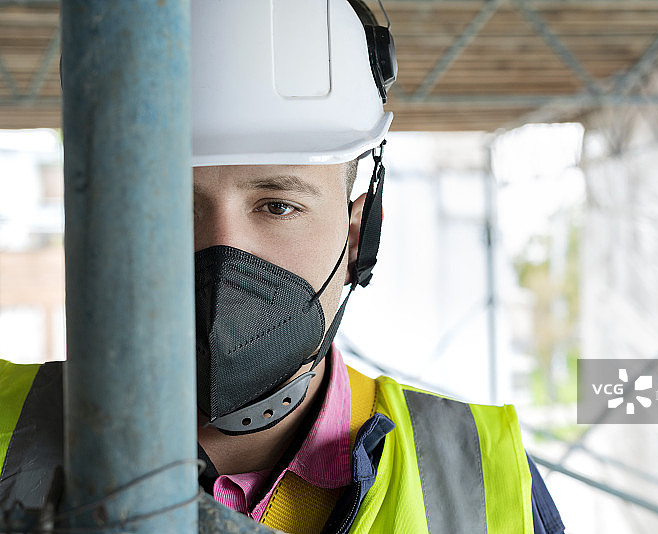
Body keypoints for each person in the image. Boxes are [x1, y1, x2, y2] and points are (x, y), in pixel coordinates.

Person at [1, 1, 564, 532]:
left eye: (278, 205)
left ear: (358, 231)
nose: (224, 255)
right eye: (166, 206)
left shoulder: (486, 486)